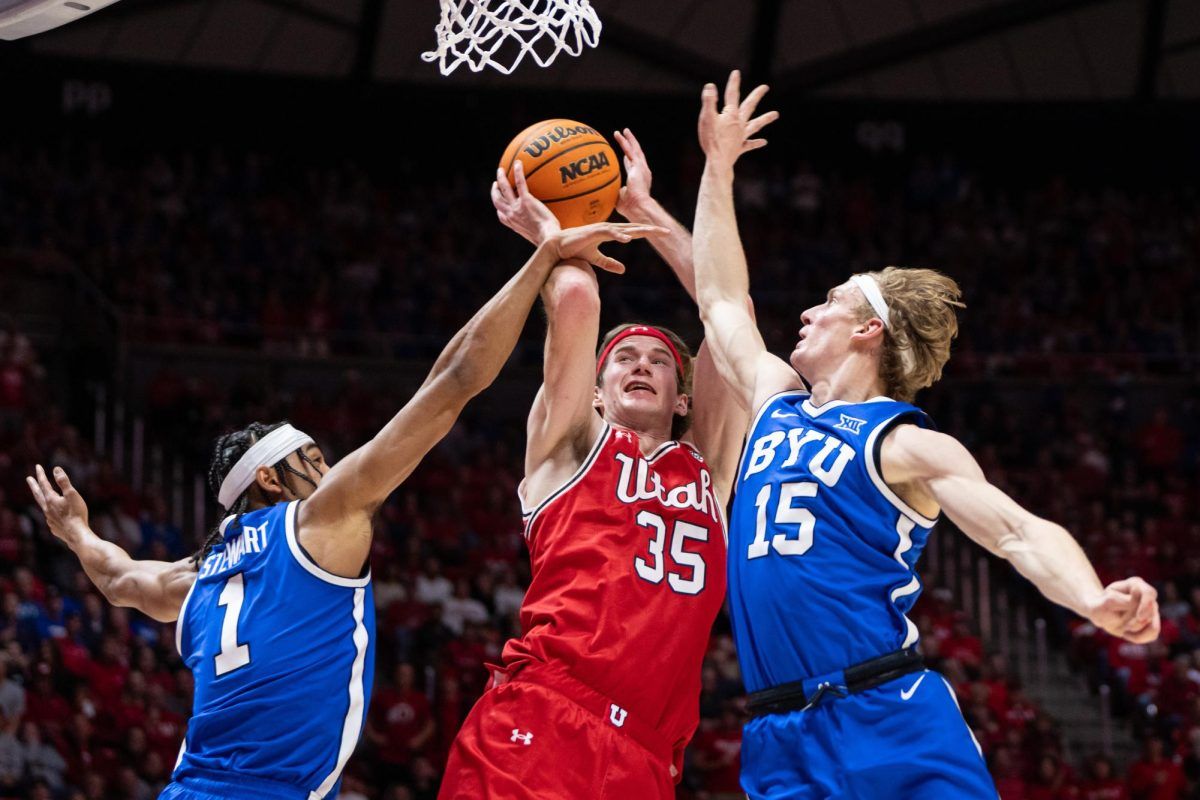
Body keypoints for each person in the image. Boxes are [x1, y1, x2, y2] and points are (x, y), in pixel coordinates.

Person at [25, 221, 661, 800]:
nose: (329, 469)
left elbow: (115, 578)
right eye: (313, 456)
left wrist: (76, 530)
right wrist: (542, 258)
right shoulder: (317, 522)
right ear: (271, 478)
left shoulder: (193, 579)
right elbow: (456, 378)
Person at [690, 70, 1161, 799]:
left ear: (869, 329)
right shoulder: (773, 399)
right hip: (779, 733)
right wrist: (717, 168)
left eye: (829, 303)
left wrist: (1093, 600)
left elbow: (1016, 533)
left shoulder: (901, 441)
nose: (807, 314)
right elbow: (719, 295)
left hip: (889, 715)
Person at [438, 146, 747, 799]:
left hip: (646, 756)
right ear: (597, 393)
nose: (639, 364)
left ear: (683, 396)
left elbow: (726, 311)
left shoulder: (711, 470)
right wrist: (552, 245)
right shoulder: (569, 446)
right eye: (622, 357)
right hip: (541, 720)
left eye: (658, 360)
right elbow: (577, 297)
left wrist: (645, 212)